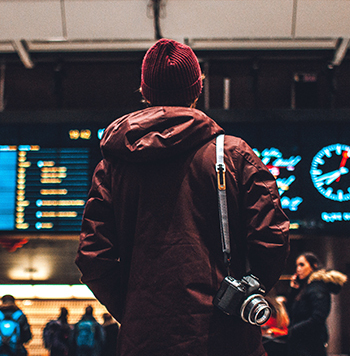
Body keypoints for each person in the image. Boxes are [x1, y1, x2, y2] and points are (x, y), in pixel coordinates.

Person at [75, 38, 290, 356]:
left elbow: (93, 257)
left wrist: (138, 313)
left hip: (144, 345)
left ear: (145, 91)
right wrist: (241, 295)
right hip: (226, 340)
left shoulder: (113, 165)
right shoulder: (232, 154)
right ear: (197, 88)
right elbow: (271, 239)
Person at [287, 252, 347, 356]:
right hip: (302, 342)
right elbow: (292, 312)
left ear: (313, 265)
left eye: (302, 265)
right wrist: (294, 290)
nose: (298, 269)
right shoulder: (306, 288)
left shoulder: (317, 288)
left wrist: (293, 330)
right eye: (297, 265)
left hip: (311, 344)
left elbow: (318, 318)